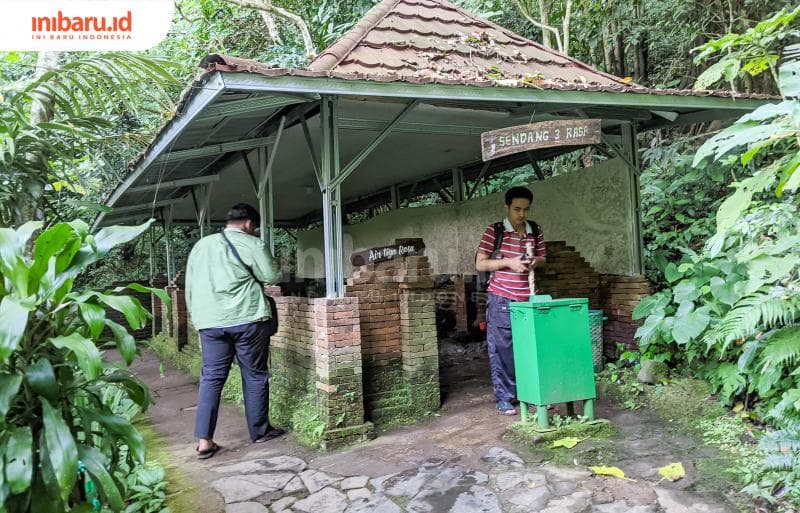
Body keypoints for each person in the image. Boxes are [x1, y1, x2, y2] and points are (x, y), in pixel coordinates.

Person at [185, 203, 284, 459]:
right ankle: (260, 431)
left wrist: (199, 319)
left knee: (211, 378)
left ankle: (205, 441)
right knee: (254, 375)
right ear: (250, 224)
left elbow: (190, 287)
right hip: (248, 319)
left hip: (210, 323)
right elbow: (272, 276)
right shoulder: (252, 244)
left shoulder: (201, 246)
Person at [475, 187, 546, 415]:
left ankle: (532, 394)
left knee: (530, 349)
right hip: (501, 298)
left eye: (526, 209)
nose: (521, 214)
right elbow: (480, 264)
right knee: (503, 350)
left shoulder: (535, 230)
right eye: (517, 209)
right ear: (506, 207)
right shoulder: (494, 231)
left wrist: (534, 261)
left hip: (529, 299)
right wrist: (509, 263)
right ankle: (505, 398)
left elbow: (543, 258)